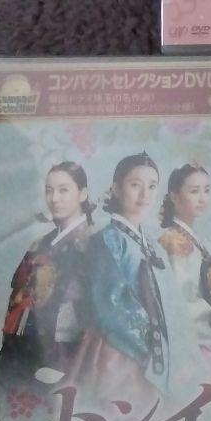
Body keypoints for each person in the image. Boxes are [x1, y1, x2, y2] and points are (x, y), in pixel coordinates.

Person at [69, 153, 169, 406]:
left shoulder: (153, 244)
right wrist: (149, 342)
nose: (144, 194)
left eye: (152, 186)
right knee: (117, 413)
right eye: (135, 185)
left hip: (153, 348)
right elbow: (107, 303)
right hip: (116, 347)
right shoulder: (108, 239)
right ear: (116, 188)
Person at [0, 161, 96, 392]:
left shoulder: (93, 243)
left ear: (83, 194)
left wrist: (67, 364)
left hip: (62, 351)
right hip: (22, 343)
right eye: (49, 190)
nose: (54, 198)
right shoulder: (41, 243)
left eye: (63, 190)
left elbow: (92, 311)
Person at [157, 163, 211, 382]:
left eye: (206, 190)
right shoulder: (174, 241)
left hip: (209, 338)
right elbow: (182, 298)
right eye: (194, 191)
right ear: (175, 197)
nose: (202, 198)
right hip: (194, 344)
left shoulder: (200, 242)